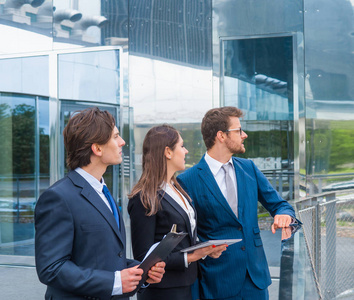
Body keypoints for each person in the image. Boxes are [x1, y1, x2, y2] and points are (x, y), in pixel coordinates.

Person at [35, 107, 165, 300]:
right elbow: (51, 268)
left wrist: (140, 272)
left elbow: (106, 258)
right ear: (97, 148)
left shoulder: (103, 191)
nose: (122, 142)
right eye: (116, 137)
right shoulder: (58, 197)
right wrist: (115, 281)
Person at [177, 107, 298, 300]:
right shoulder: (188, 180)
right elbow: (188, 235)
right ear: (221, 136)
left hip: (255, 280)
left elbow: (280, 204)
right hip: (217, 281)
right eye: (239, 130)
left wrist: (284, 214)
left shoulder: (249, 168)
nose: (245, 135)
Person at [128, 124, 227, 300]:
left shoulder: (177, 187)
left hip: (187, 283)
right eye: (182, 146)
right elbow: (143, 258)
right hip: (162, 291)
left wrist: (205, 249)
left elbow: (186, 238)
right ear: (168, 152)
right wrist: (191, 256)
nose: (186, 151)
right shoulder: (144, 197)